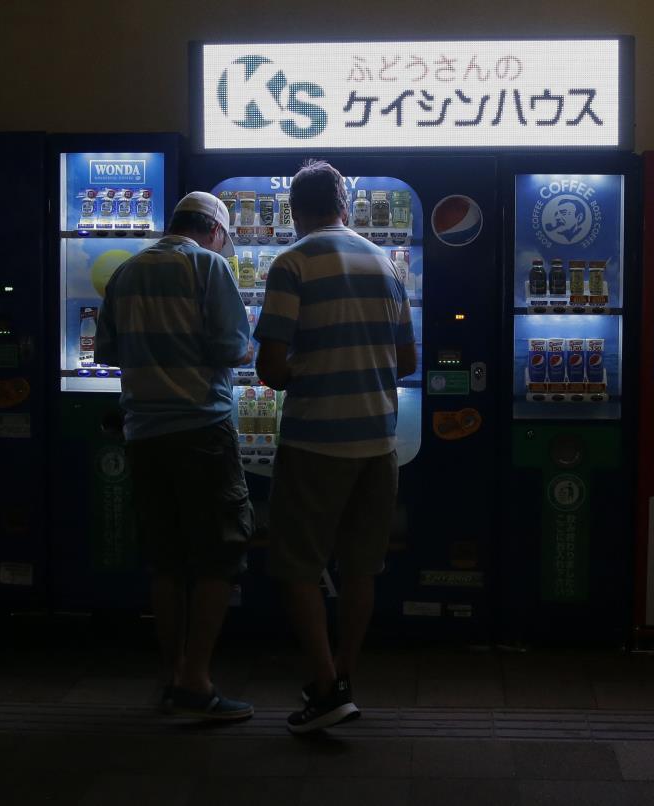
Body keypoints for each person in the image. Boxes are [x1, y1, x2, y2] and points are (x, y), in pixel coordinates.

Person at [254, 161, 416, 733]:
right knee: (362, 568)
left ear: (296, 210)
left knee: (298, 565)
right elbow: (409, 362)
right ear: (344, 204)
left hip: (315, 439)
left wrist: (309, 367)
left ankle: (324, 687)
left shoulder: (291, 262)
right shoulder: (386, 263)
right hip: (377, 442)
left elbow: (270, 367)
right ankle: (346, 675)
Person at [94, 191, 254, 721]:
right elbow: (234, 348)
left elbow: (107, 353)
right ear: (214, 229)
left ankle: (170, 674)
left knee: (165, 561)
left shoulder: (126, 272)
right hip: (202, 429)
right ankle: (197, 680)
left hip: (143, 433)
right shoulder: (208, 268)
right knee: (217, 557)